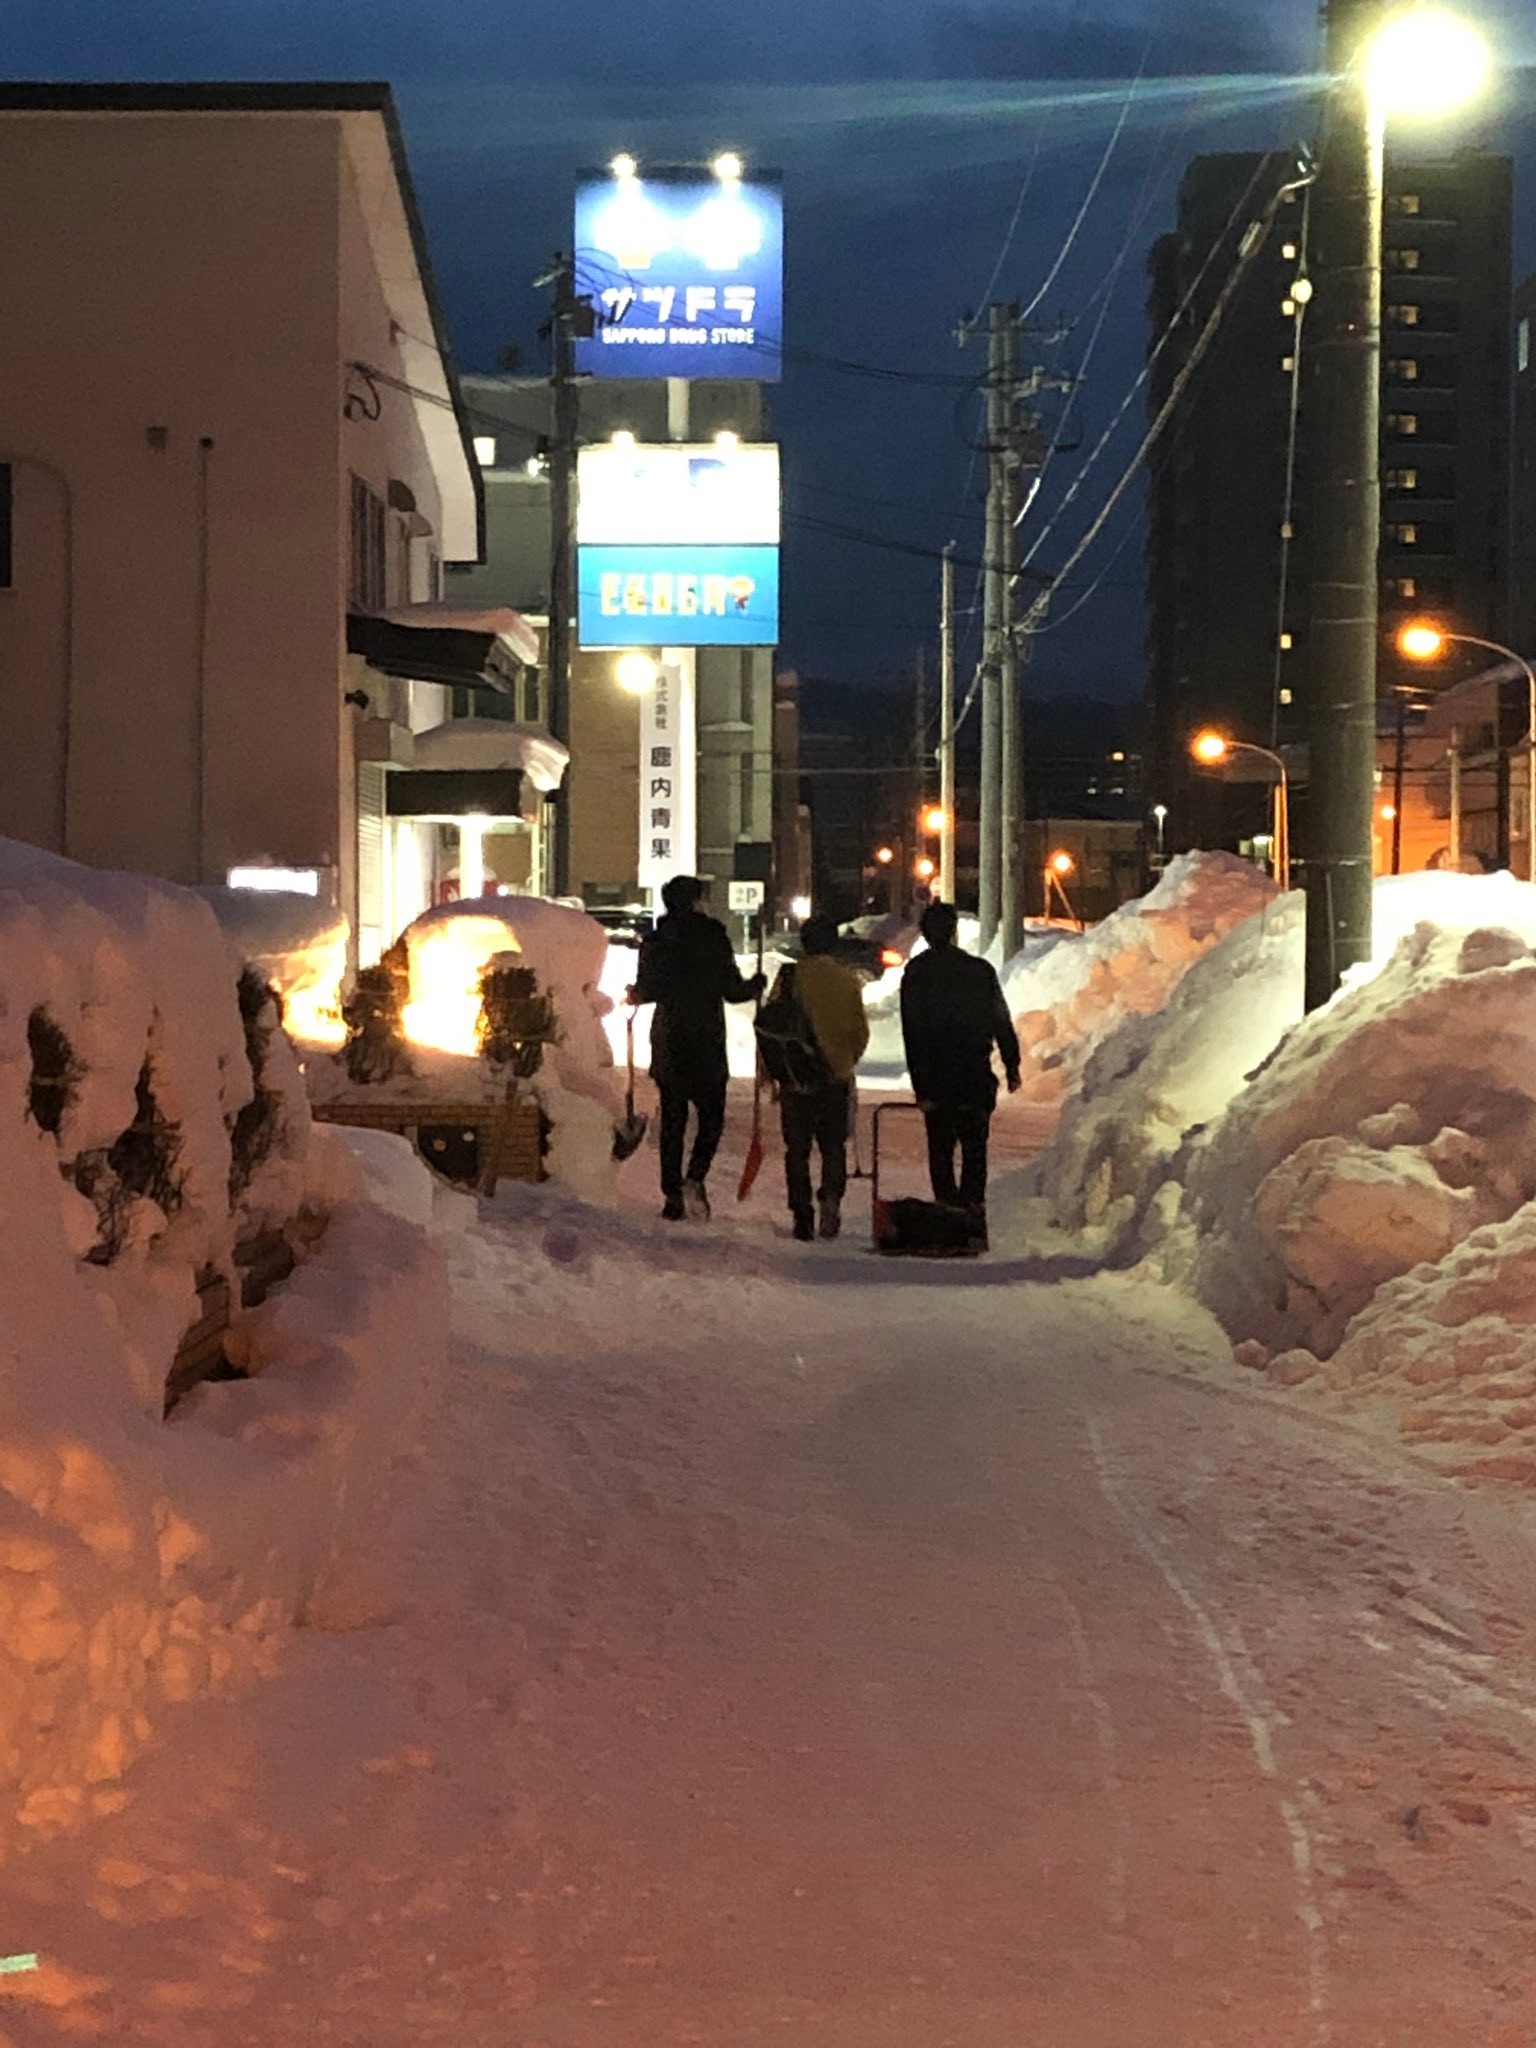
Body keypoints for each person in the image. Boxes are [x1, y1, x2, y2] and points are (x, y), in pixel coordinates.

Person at [631, 875, 764, 1221]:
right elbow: (732, 990)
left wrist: (636, 994)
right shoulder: (712, 937)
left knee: (673, 1119)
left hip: (669, 1036)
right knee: (711, 1117)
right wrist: (755, 986)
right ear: (697, 900)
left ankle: (672, 1193)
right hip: (705, 1036)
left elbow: (647, 990)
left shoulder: (656, 941)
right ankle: (695, 1177)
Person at [899, 900, 1021, 1219]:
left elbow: (912, 1032)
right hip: (974, 1075)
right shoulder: (980, 971)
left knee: (940, 1149)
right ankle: (972, 1211)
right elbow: (1000, 1020)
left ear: (925, 934)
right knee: (974, 1147)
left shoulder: (916, 973)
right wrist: (1012, 1065)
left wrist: (920, 1085)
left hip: (936, 1077)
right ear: (954, 931)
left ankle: (946, 1211)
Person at [770, 914, 869, 1243]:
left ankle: (801, 1213)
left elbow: (773, 1026)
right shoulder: (846, 979)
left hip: (796, 1081)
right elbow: (860, 1033)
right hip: (834, 1078)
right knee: (832, 1146)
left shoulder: (789, 977)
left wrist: (772, 1073)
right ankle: (830, 1202)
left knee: (796, 1149)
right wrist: (844, 1061)